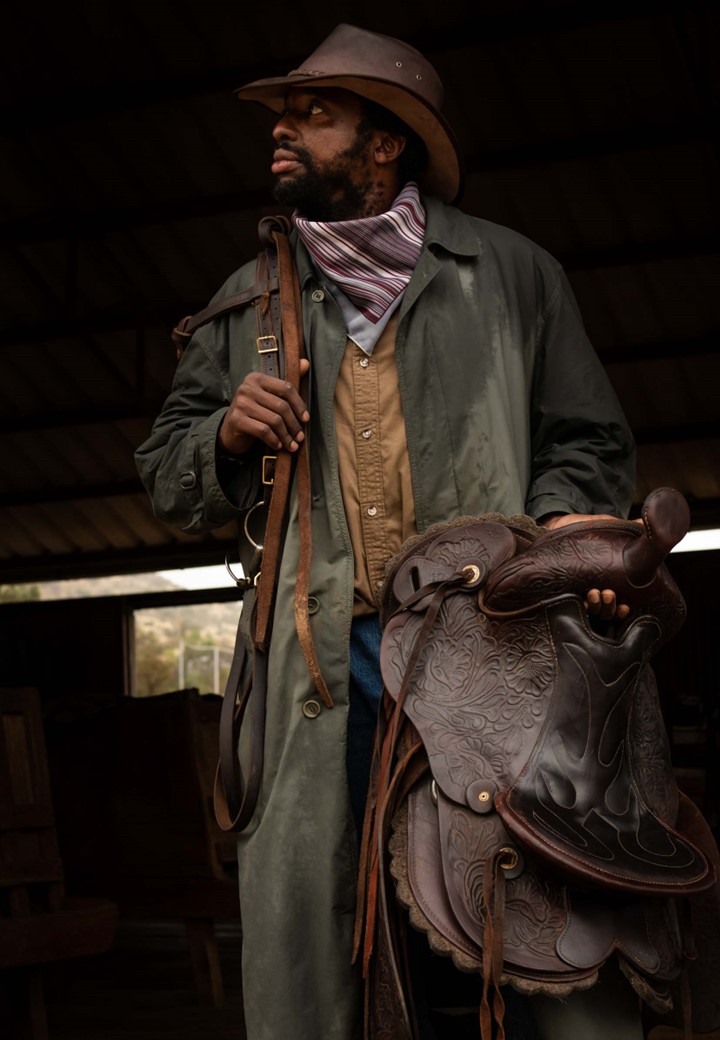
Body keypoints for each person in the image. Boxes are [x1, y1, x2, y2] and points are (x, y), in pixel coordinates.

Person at [136, 24, 640, 1040]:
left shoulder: (512, 277)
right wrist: (226, 435)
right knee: (316, 947)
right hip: (317, 675)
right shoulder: (241, 308)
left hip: (492, 650)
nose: (282, 127)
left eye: (313, 113)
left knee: (536, 916)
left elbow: (586, 441)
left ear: (385, 146)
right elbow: (165, 472)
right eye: (284, 113)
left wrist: (558, 534)